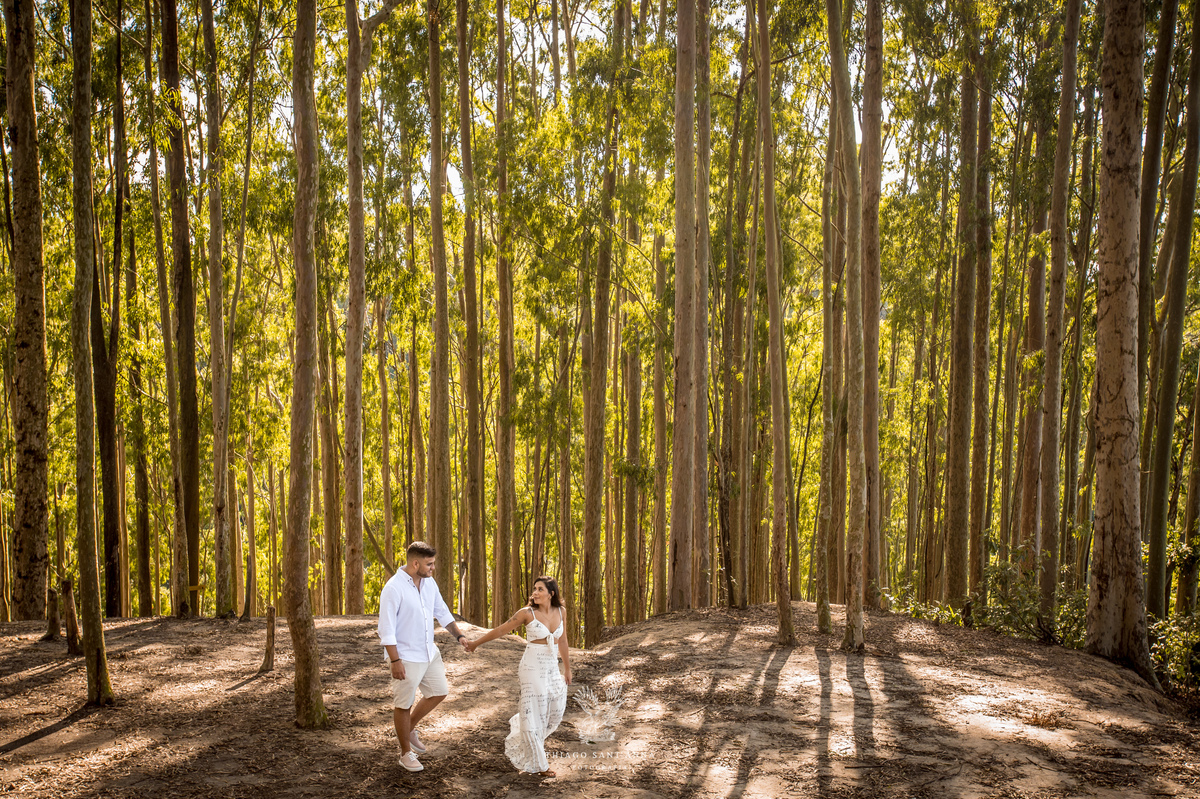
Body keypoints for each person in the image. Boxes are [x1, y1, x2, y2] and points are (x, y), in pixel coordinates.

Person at [465, 576, 571, 777]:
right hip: (531, 667)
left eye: (540, 589)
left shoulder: (561, 611)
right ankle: (540, 764)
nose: (535, 592)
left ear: (551, 593)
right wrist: (475, 643)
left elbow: (563, 640)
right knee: (534, 712)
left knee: (554, 710)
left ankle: (528, 737)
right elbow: (500, 630)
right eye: (534, 588)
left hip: (551, 666)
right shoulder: (526, 613)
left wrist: (567, 669)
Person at [377, 540, 469, 772]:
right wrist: (395, 661)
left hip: (429, 652)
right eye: (429, 564)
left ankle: (409, 727)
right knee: (403, 704)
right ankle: (405, 753)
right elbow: (386, 630)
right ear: (415, 563)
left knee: (439, 691)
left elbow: (442, 612)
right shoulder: (393, 588)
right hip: (405, 656)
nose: (433, 568)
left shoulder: (429, 583)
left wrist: (459, 636)